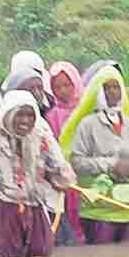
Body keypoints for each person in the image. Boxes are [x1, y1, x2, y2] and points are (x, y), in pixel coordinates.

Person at [0, 89, 77, 257]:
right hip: (4, 211)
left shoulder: (41, 136)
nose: (25, 120)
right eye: (19, 115)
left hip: (35, 208)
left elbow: (62, 171)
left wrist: (58, 178)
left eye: (30, 115)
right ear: (8, 115)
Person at [68, 62, 129, 244]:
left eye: (116, 87)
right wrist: (111, 165)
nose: (113, 92)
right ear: (98, 92)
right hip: (98, 208)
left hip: (126, 206)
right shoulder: (87, 124)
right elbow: (77, 162)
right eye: (107, 88)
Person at [49, 61, 86, 246]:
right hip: (64, 176)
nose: (63, 91)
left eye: (67, 85)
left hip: (85, 175)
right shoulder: (52, 116)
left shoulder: (86, 112)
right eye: (57, 87)